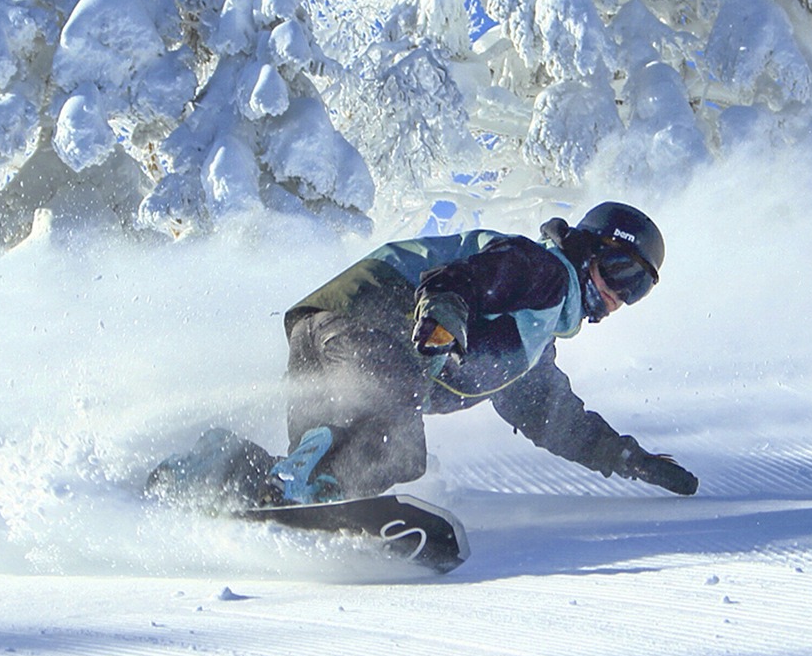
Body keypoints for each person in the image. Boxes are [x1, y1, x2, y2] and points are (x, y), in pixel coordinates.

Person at [146, 201, 697, 510]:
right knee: (397, 449)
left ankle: (217, 468)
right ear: (590, 249)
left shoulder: (531, 343)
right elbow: (462, 278)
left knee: (329, 469)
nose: (618, 298)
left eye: (638, 291)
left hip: (322, 330)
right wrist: (444, 313)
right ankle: (295, 491)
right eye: (622, 274)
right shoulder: (542, 271)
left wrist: (628, 459)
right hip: (364, 322)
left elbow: (556, 421)